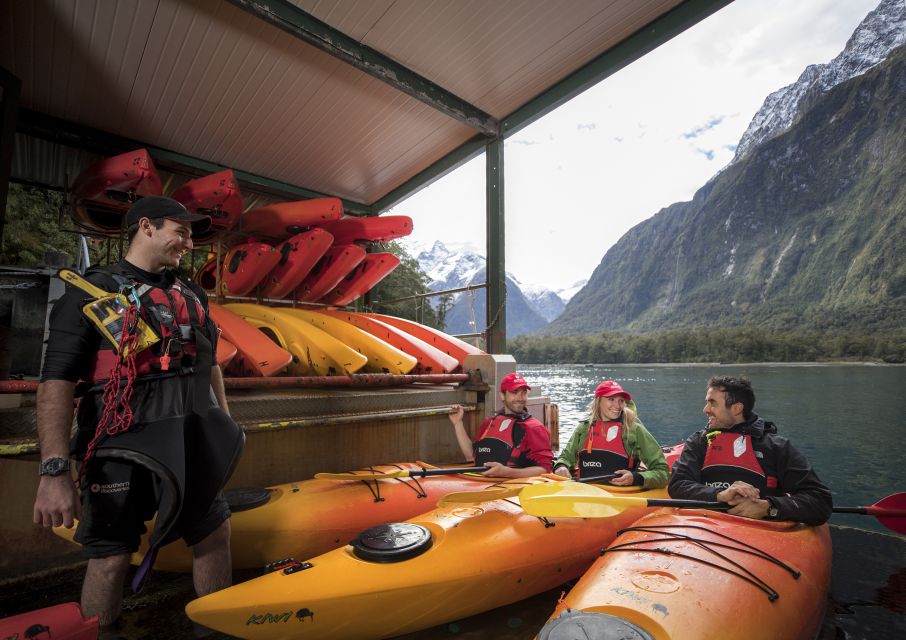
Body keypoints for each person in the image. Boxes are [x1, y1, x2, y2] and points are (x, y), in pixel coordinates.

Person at [33, 196, 245, 631]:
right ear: (146, 226)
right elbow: (54, 384)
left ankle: (216, 628)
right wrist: (53, 472)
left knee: (213, 535)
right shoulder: (89, 292)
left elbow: (209, 366)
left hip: (191, 444)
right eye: (180, 231)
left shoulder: (189, 293)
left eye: (190, 233)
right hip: (122, 447)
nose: (188, 241)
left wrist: (224, 427)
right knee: (110, 557)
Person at [668, 375, 832, 525]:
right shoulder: (699, 442)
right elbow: (678, 485)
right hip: (704, 527)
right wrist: (719, 494)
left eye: (713, 403)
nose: (705, 409)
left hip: (761, 532)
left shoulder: (776, 447)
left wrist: (768, 507)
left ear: (736, 409)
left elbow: (820, 501)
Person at [552, 380, 668, 488]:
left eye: (621, 401)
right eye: (611, 399)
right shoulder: (584, 428)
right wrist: (561, 466)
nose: (617, 406)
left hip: (619, 497)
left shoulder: (634, 430)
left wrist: (636, 478)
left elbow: (662, 472)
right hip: (586, 493)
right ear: (598, 400)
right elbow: (566, 458)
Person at [448, 372, 553, 477]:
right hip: (483, 484)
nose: (520, 398)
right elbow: (471, 457)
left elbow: (545, 469)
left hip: (513, 487)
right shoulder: (489, 423)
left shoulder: (535, 428)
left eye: (524, 393)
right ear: (502, 395)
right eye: (514, 392)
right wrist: (458, 423)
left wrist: (507, 473)